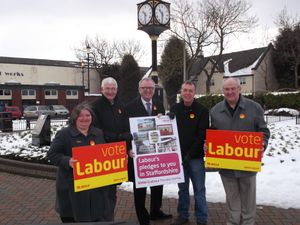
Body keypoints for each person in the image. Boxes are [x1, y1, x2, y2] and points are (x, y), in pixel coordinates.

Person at [210, 77, 270, 225]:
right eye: (226, 89)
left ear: (239, 89)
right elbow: (212, 133)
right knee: (232, 200)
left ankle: (248, 223)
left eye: (233, 89)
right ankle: (233, 222)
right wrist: (208, 145)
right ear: (223, 91)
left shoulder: (254, 108)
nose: (230, 92)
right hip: (227, 166)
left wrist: (262, 143)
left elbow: (263, 130)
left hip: (247, 165)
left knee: (248, 201)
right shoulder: (215, 110)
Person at [47, 102, 115, 223]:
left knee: (96, 217)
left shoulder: (98, 133)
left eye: (88, 115)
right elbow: (52, 154)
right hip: (71, 186)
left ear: (92, 117)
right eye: (81, 116)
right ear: (75, 118)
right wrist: (68, 161)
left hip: (94, 188)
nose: (85, 118)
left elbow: (104, 154)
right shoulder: (64, 134)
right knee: (73, 217)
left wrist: (116, 159)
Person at [125, 77, 172, 225]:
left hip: (156, 153)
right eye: (145, 88)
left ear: (154, 89)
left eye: (150, 88)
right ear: (139, 89)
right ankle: (143, 217)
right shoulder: (130, 106)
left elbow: (163, 125)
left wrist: (168, 119)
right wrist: (128, 149)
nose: (148, 90)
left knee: (158, 183)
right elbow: (126, 130)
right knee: (140, 187)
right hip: (139, 154)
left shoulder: (159, 104)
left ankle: (155, 211)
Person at [91, 77, 132, 218]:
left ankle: (109, 218)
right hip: (102, 154)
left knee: (112, 191)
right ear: (101, 89)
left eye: (113, 88)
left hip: (117, 154)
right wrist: (120, 136)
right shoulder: (95, 107)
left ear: (116, 90)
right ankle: (103, 219)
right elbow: (96, 131)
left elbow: (126, 127)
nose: (110, 91)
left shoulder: (120, 105)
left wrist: (127, 146)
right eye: (107, 88)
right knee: (102, 192)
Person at [170, 81, 209, 225]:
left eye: (190, 90)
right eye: (185, 90)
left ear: (194, 92)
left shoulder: (202, 110)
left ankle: (202, 218)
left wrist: (190, 155)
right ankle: (183, 215)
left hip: (196, 158)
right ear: (181, 92)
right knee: (183, 189)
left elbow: (201, 135)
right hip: (179, 157)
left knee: (199, 190)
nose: (187, 93)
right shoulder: (174, 109)